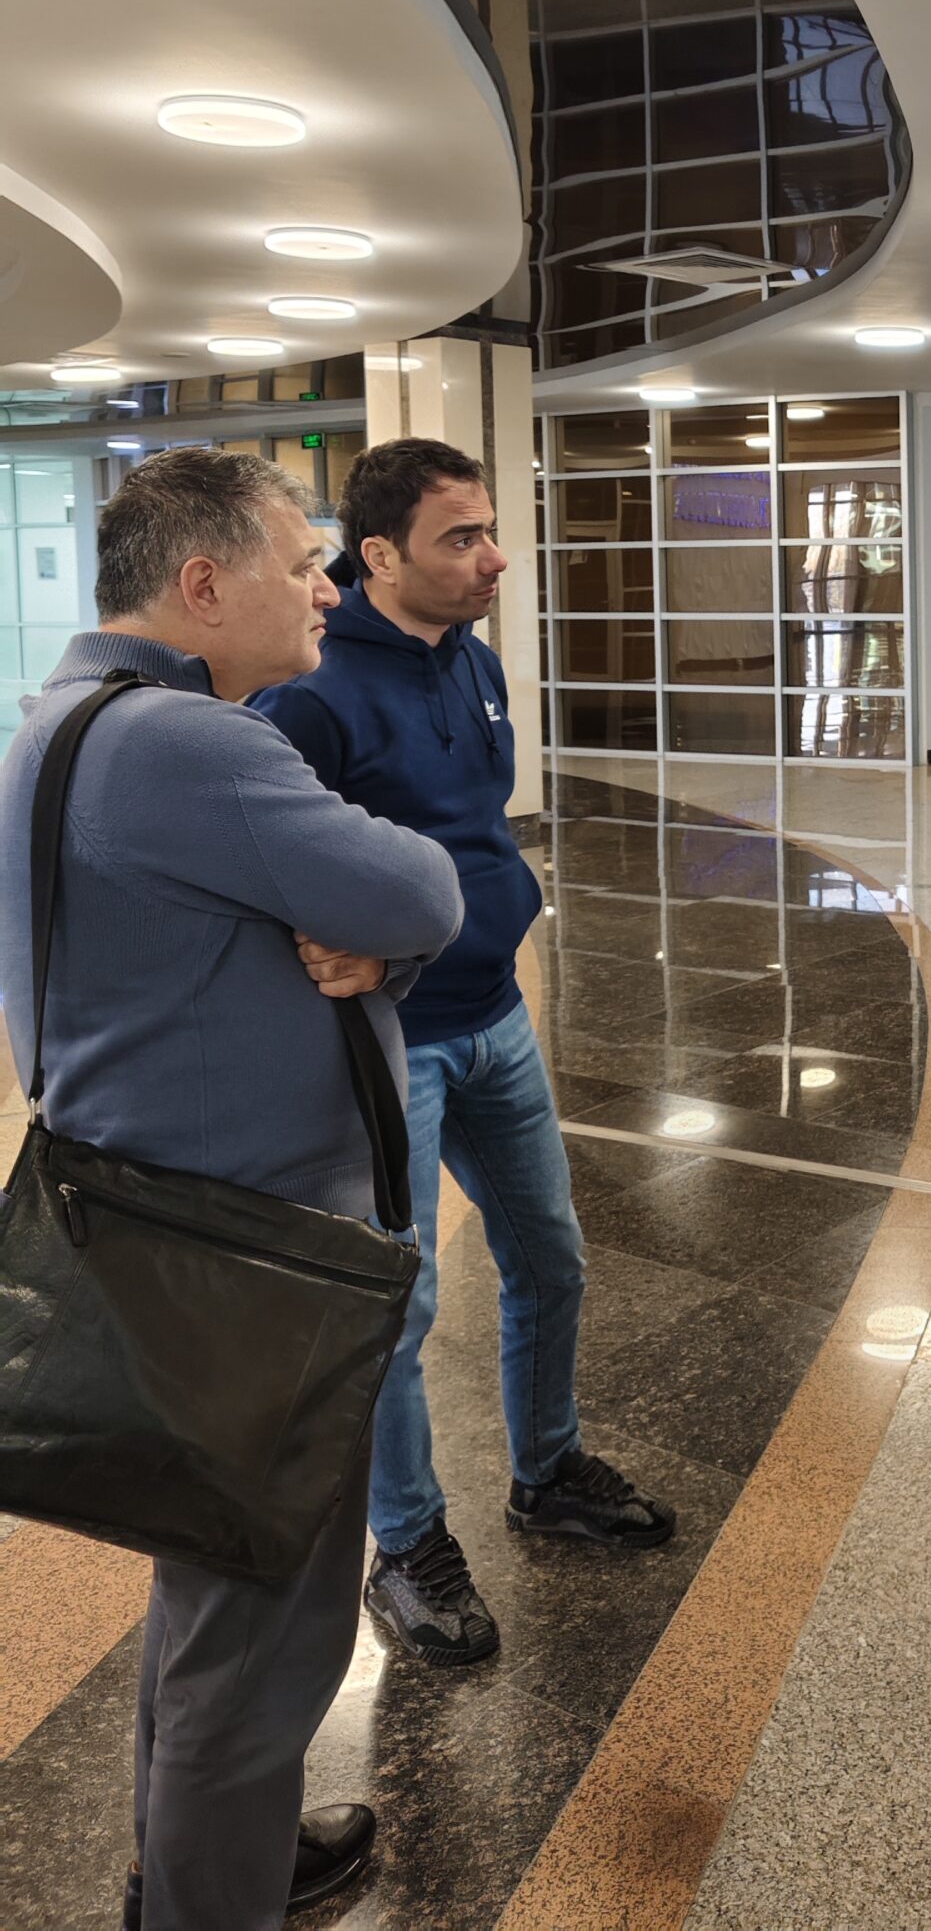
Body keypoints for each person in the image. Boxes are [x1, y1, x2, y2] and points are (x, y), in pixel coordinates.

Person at [0, 449, 464, 1931]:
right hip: (254, 1266)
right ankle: (211, 1899)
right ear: (202, 585)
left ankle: (200, 1861)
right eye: (301, 562)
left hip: (163, 1239)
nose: (327, 589)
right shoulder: (184, 745)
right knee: (261, 1642)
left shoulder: (57, 726)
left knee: (212, 1595)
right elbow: (426, 888)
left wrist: (357, 946)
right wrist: (379, 939)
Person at [255, 436, 674, 1671]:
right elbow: (271, 872)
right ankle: (407, 1543)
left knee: (550, 1254)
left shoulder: (474, 657)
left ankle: (546, 1470)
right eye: (462, 537)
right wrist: (357, 952)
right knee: (401, 1301)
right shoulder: (312, 690)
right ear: (380, 555)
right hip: (394, 1043)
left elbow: (476, 830)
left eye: (491, 530)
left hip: (496, 1018)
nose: (494, 557)